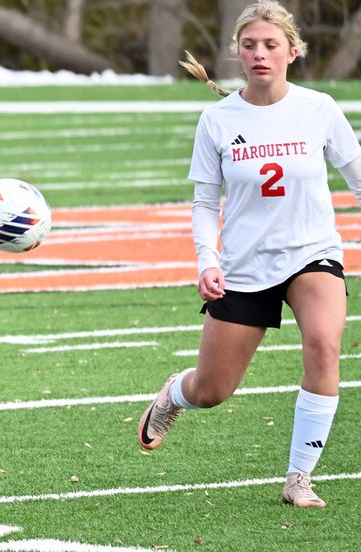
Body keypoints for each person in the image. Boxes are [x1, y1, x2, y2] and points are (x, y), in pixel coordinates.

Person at [138, 0, 361, 508]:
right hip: (244, 266)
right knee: (211, 391)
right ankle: (176, 392)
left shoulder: (319, 108)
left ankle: (298, 478)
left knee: (325, 345)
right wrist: (207, 261)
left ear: (292, 51)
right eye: (249, 45)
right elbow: (203, 202)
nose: (259, 54)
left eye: (271, 45)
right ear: (237, 52)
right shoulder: (217, 120)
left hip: (312, 255)